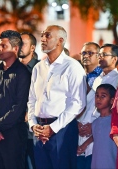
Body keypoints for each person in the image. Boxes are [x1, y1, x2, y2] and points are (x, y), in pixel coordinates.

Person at [28, 25, 86, 169]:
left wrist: (53, 128)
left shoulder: (72, 66)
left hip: (62, 130)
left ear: (60, 40)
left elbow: (78, 103)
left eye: (47, 35)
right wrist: (33, 124)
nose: (42, 39)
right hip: (39, 130)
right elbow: (31, 100)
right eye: (42, 35)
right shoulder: (38, 67)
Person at [0, 30, 31, 169]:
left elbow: (19, 107)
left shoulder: (23, 73)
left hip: (13, 136)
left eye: (3, 46)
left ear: (15, 48)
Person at [76, 42, 102, 169]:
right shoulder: (76, 76)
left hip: (96, 134)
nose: (86, 56)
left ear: (99, 56)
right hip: (76, 130)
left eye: (90, 53)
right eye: (84, 53)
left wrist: (93, 126)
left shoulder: (104, 78)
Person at [19, 32, 39, 169]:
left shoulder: (40, 68)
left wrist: (29, 112)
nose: (19, 47)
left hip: (34, 127)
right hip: (15, 128)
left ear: (32, 48)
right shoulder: (12, 69)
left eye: (23, 44)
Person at [91, 84, 117, 168]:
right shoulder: (95, 123)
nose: (98, 99)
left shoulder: (115, 122)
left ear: (112, 100)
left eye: (103, 96)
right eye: (97, 95)